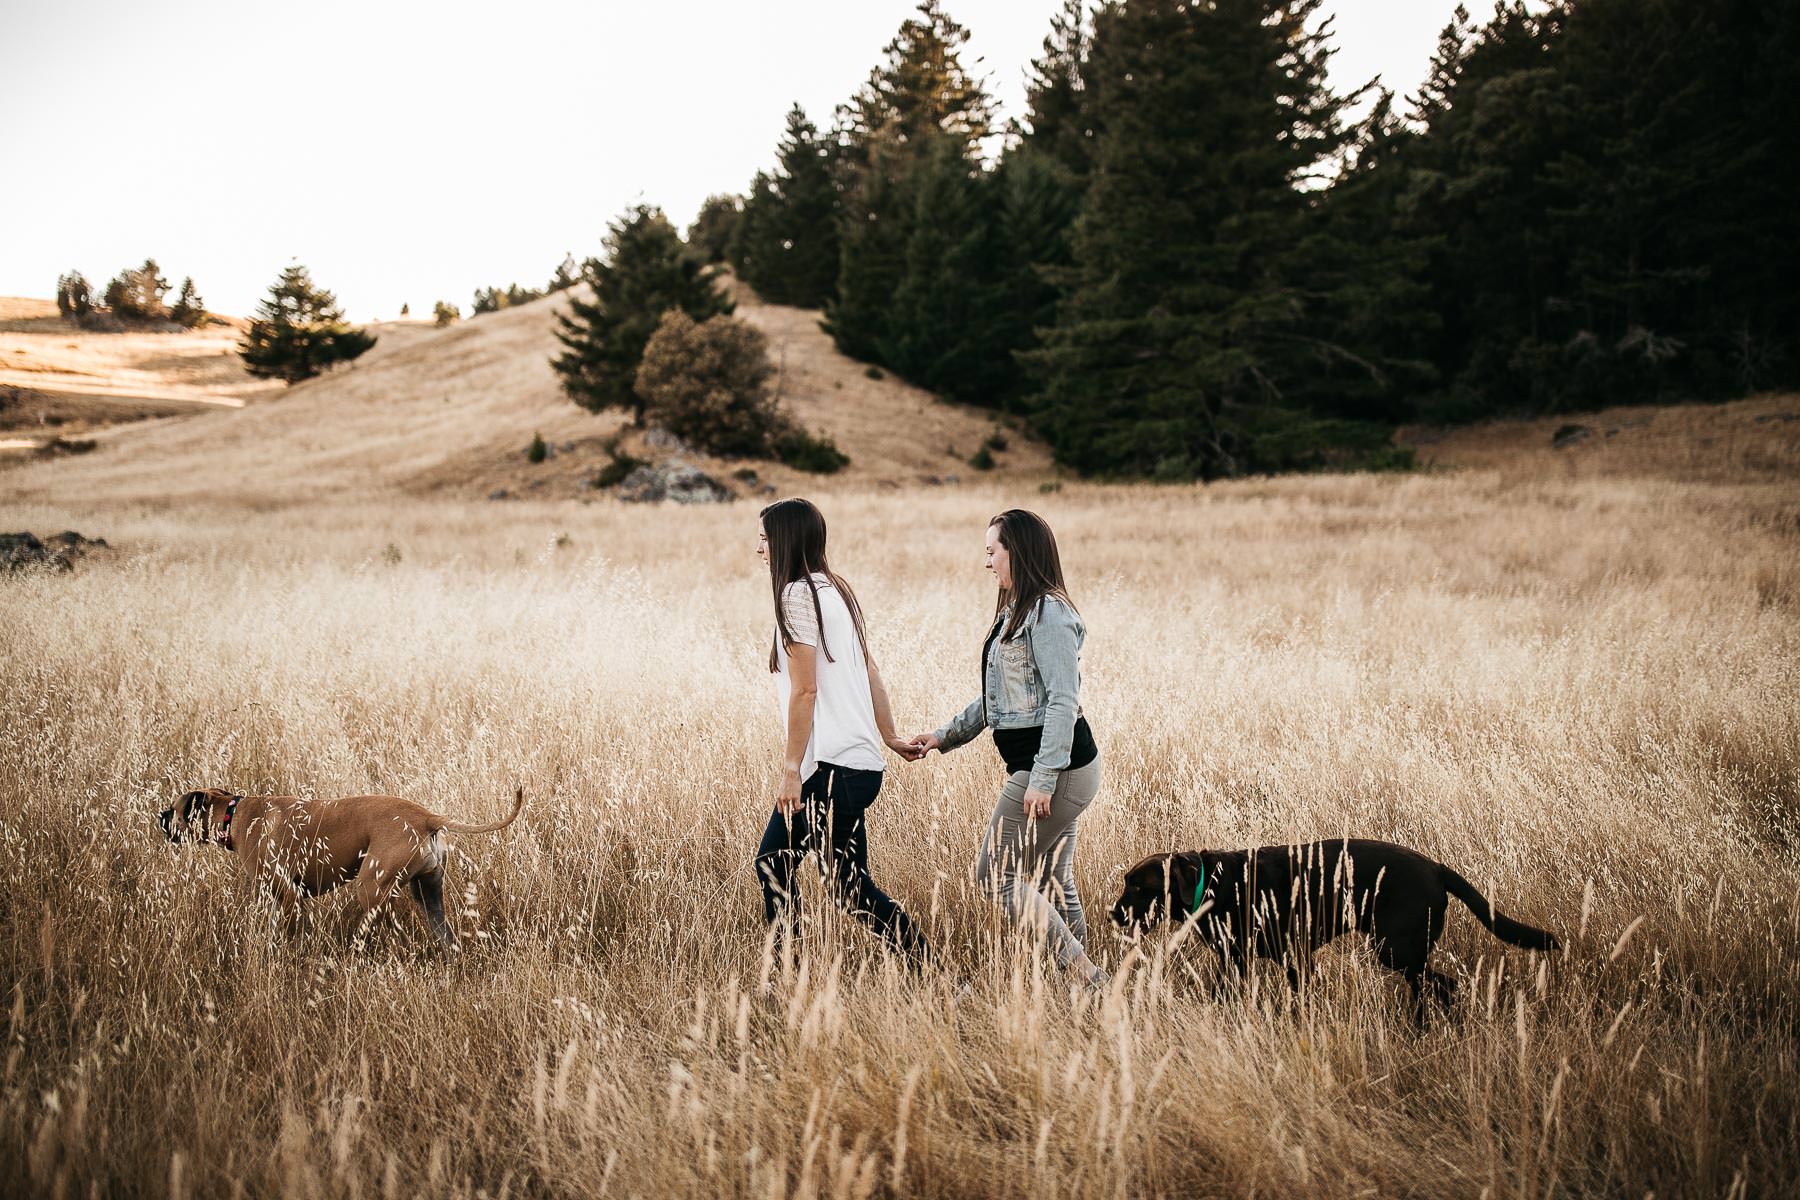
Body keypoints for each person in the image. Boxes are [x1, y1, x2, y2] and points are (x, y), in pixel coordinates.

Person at [910, 509, 1106, 990]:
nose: (987, 563)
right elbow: (999, 694)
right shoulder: (1015, 609)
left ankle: (1087, 978)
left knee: (995, 875)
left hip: (1058, 767)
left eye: (991, 551)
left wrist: (1041, 779)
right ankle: (1084, 992)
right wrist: (944, 735)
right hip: (1045, 764)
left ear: (1016, 551)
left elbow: (1064, 700)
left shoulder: (1050, 614)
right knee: (1054, 882)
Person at [753, 497, 928, 965]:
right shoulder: (834, 591)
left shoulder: (796, 596)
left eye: (766, 539)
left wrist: (791, 769)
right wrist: (888, 737)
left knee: (773, 862)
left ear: (787, 540)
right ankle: (926, 965)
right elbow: (868, 669)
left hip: (829, 768)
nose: (759, 549)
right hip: (856, 765)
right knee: (848, 886)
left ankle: (789, 974)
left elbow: (805, 690)